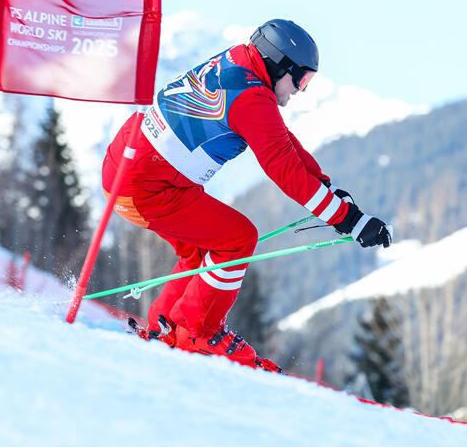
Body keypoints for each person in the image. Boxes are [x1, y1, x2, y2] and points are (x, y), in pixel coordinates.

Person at [102, 19, 392, 368]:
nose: (300, 90)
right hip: (148, 186)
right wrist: (350, 220)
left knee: (201, 249)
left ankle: (167, 325)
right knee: (237, 239)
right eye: (301, 78)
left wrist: (325, 186)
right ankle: (196, 331)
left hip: (130, 165)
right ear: (278, 63)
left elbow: (280, 138)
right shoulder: (252, 98)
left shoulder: (240, 64)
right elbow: (284, 169)